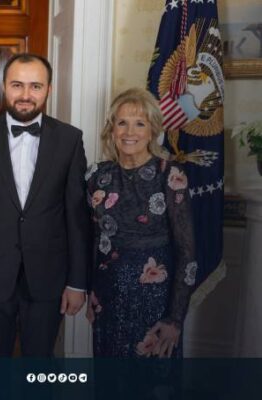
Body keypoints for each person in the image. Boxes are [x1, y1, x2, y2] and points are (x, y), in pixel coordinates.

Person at [0, 53, 91, 357]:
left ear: (49, 89)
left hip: (49, 276)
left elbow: (77, 216)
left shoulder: (70, 139)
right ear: (4, 86)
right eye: (17, 85)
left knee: (40, 364)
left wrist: (77, 282)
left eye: (36, 86)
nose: (25, 95)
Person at [85, 87, 196, 358]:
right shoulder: (96, 176)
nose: (129, 132)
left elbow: (187, 251)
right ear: (112, 129)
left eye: (139, 123)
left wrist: (175, 318)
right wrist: (90, 291)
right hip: (107, 299)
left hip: (155, 303)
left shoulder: (170, 174)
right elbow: (92, 239)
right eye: (122, 122)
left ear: (152, 130)